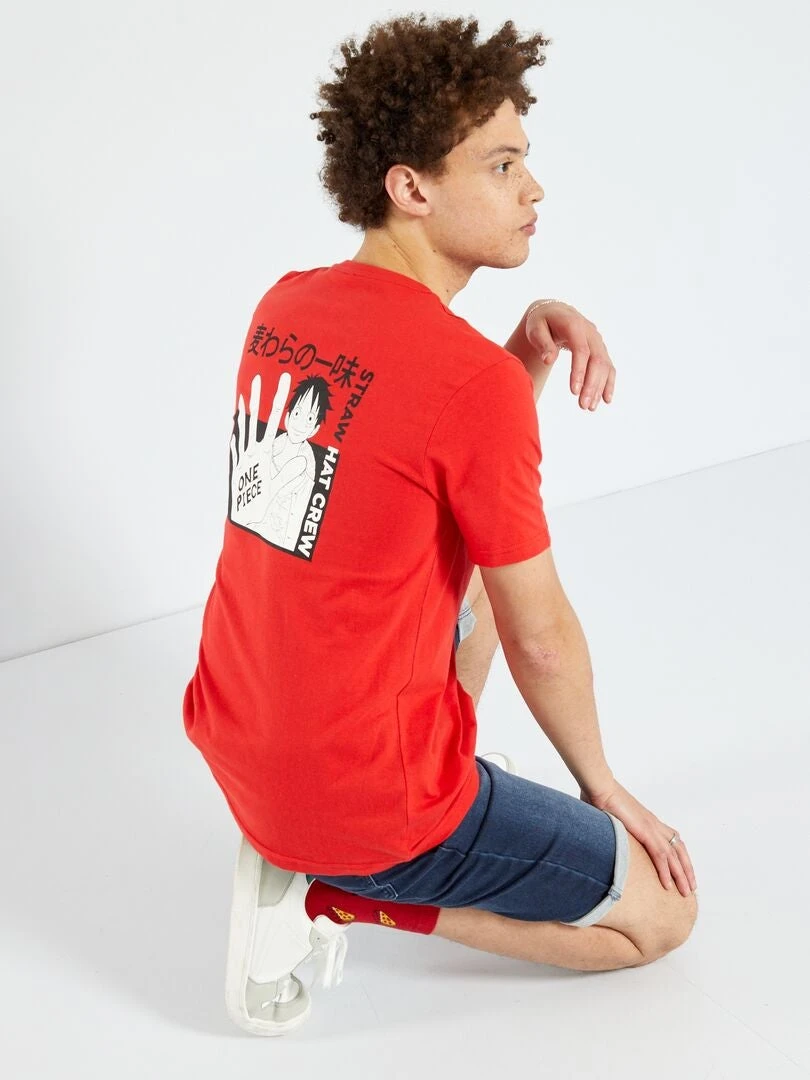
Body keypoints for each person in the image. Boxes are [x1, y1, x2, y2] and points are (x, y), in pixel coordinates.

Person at [182, 13, 698, 1036]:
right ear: (411, 188)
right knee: (661, 919)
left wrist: (524, 357)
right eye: (502, 165)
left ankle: (325, 841)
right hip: (363, 805)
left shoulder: (286, 307)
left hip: (240, 741)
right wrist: (605, 788)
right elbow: (543, 638)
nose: (533, 189)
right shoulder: (466, 385)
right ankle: (338, 894)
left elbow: (411, 463)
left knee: (465, 563)